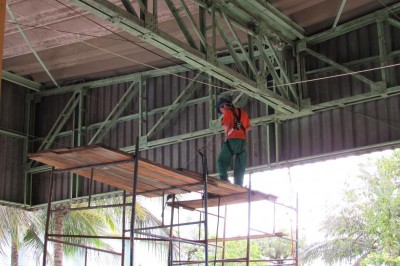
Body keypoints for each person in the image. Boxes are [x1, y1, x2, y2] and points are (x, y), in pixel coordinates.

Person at [217, 98, 252, 186]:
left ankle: (224, 179)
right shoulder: (243, 113)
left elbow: (225, 125)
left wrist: (227, 134)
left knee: (222, 160)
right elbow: (249, 127)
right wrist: (241, 132)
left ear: (224, 106)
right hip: (243, 141)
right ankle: (239, 184)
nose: (222, 113)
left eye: (221, 111)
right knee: (240, 164)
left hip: (233, 140)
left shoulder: (228, 112)